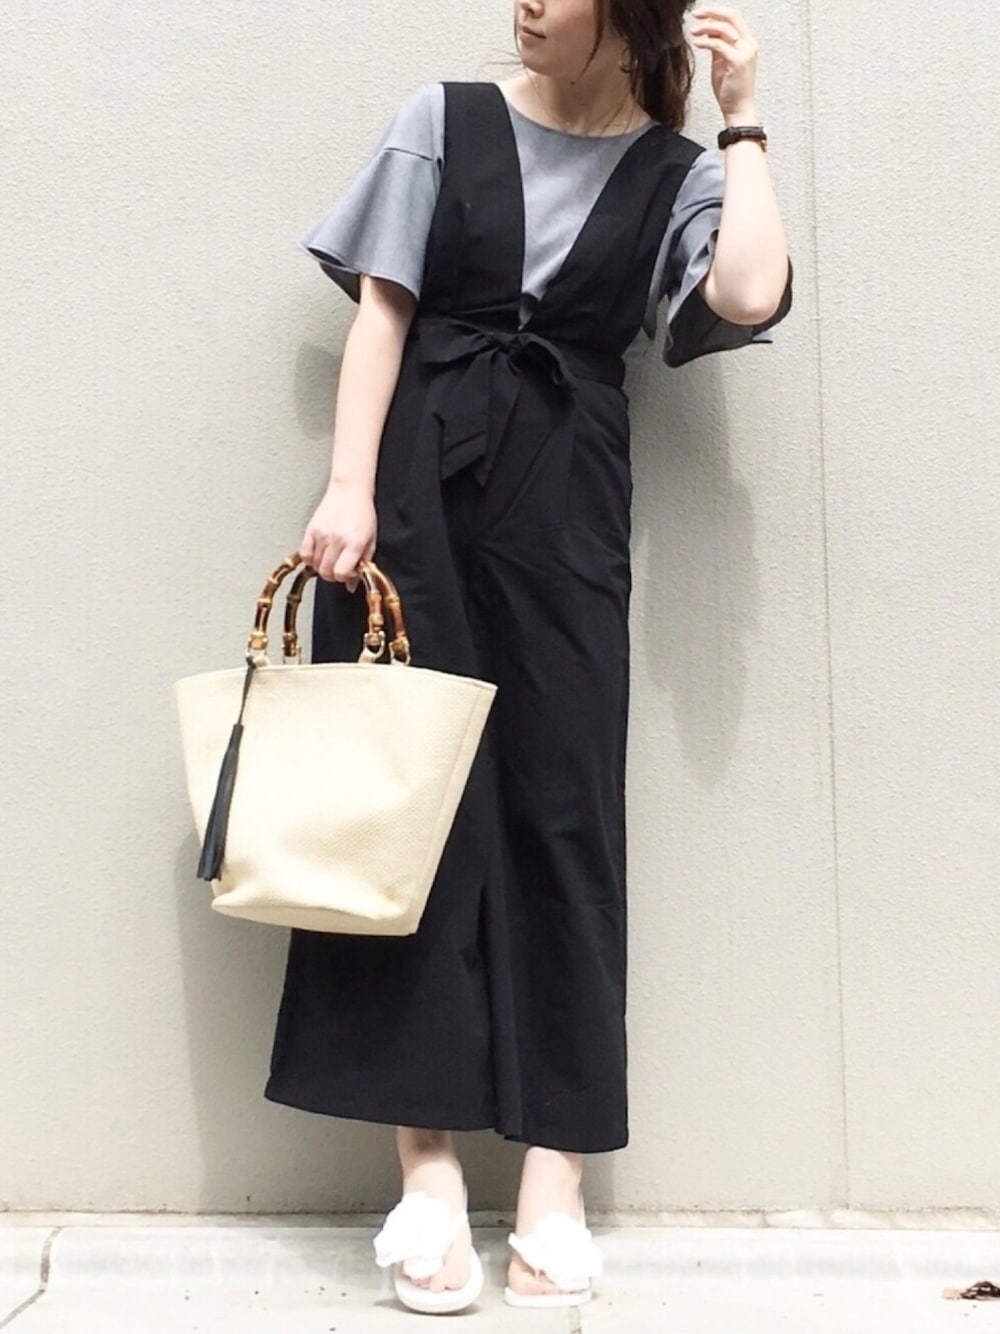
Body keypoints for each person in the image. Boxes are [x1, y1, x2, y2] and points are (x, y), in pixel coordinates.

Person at [267, 0, 792, 1315]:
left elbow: (745, 294)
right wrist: (347, 488)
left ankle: (556, 1179)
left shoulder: (675, 172)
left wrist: (743, 121)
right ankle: (428, 1172)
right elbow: (383, 311)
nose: (526, 5)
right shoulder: (442, 121)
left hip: (568, 505)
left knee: (566, 817)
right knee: (410, 812)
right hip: (415, 490)